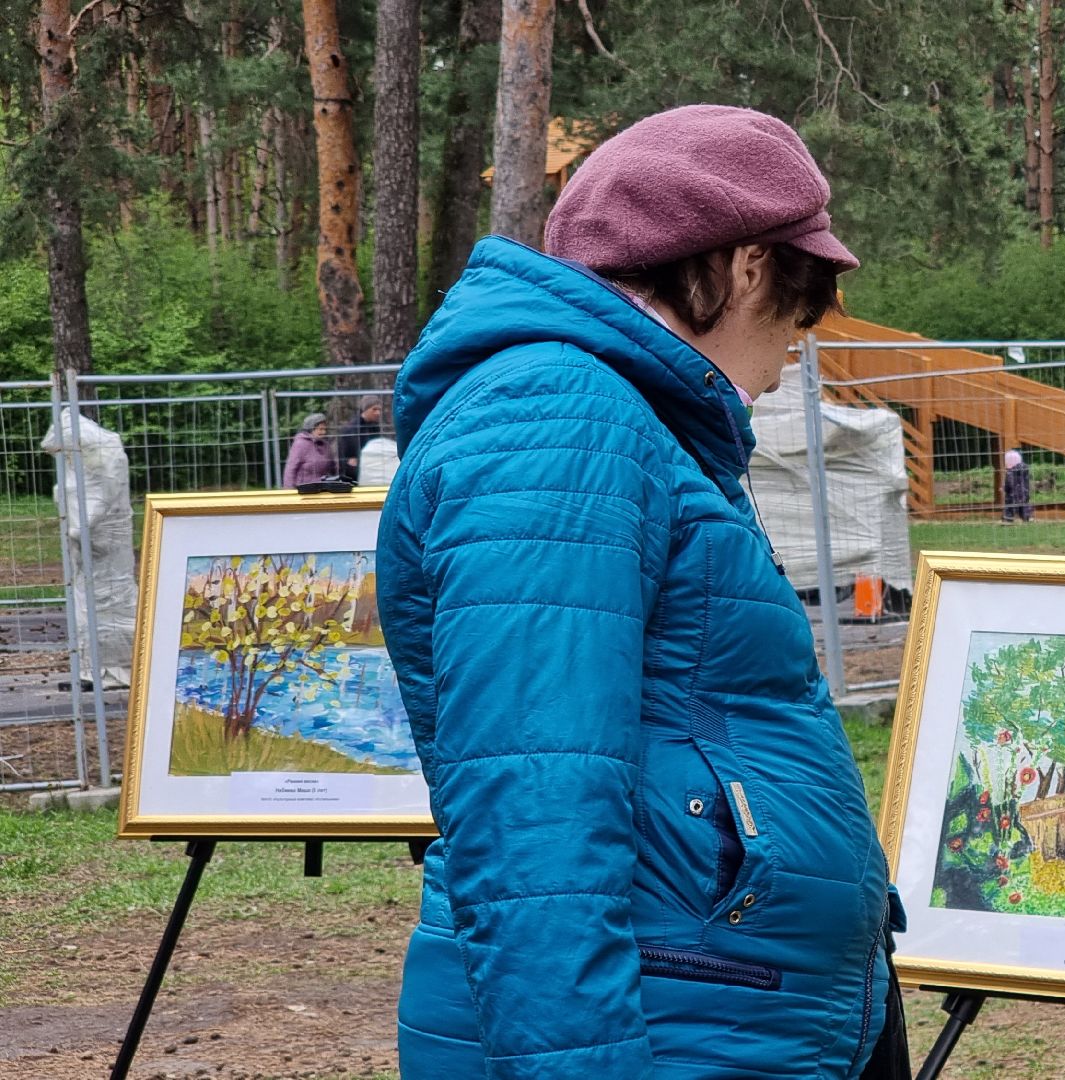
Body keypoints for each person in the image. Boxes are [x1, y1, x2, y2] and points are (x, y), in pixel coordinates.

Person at [376, 106, 906, 1080]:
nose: (795, 347)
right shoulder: (561, 414)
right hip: (669, 1022)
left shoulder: (625, 413)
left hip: (712, 1008)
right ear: (748, 265)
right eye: (800, 306)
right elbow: (535, 799)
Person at [334, 395, 385, 483]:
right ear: (365, 409)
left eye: (380, 410)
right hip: (354, 477)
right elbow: (344, 459)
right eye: (374, 409)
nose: (378, 413)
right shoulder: (350, 429)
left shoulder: (375, 427)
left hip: (373, 473)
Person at [281, 413, 334, 488]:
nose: (324, 432)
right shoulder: (300, 444)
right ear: (311, 429)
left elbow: (332, 467)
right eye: (320, 429)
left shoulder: (326, 445)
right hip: (303, 491)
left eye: (325, 429)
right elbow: (290, 469)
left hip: (322, 489)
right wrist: (289, 491)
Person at [1002, 448, 1033, 522]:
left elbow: (1009, 483)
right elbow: (1027, 481)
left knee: (1010, 506)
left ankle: (1008, 518)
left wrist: (1004, 488)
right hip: (1024, 492)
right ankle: (1027, 517)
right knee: (1024, 505)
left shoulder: (1009, 472)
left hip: (1012, 494)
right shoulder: (1024, 471)